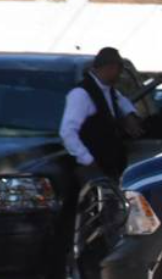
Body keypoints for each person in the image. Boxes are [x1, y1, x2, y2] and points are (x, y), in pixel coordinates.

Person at [59, 47, 143, 181]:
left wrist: (130, 116)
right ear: (109, 68)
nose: (119, 74)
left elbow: (121, 101)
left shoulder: (109, 90)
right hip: (93, 170)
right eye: (118, 70)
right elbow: (67, 132)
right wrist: (88, 160)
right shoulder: (81, 94)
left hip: (110, 167)